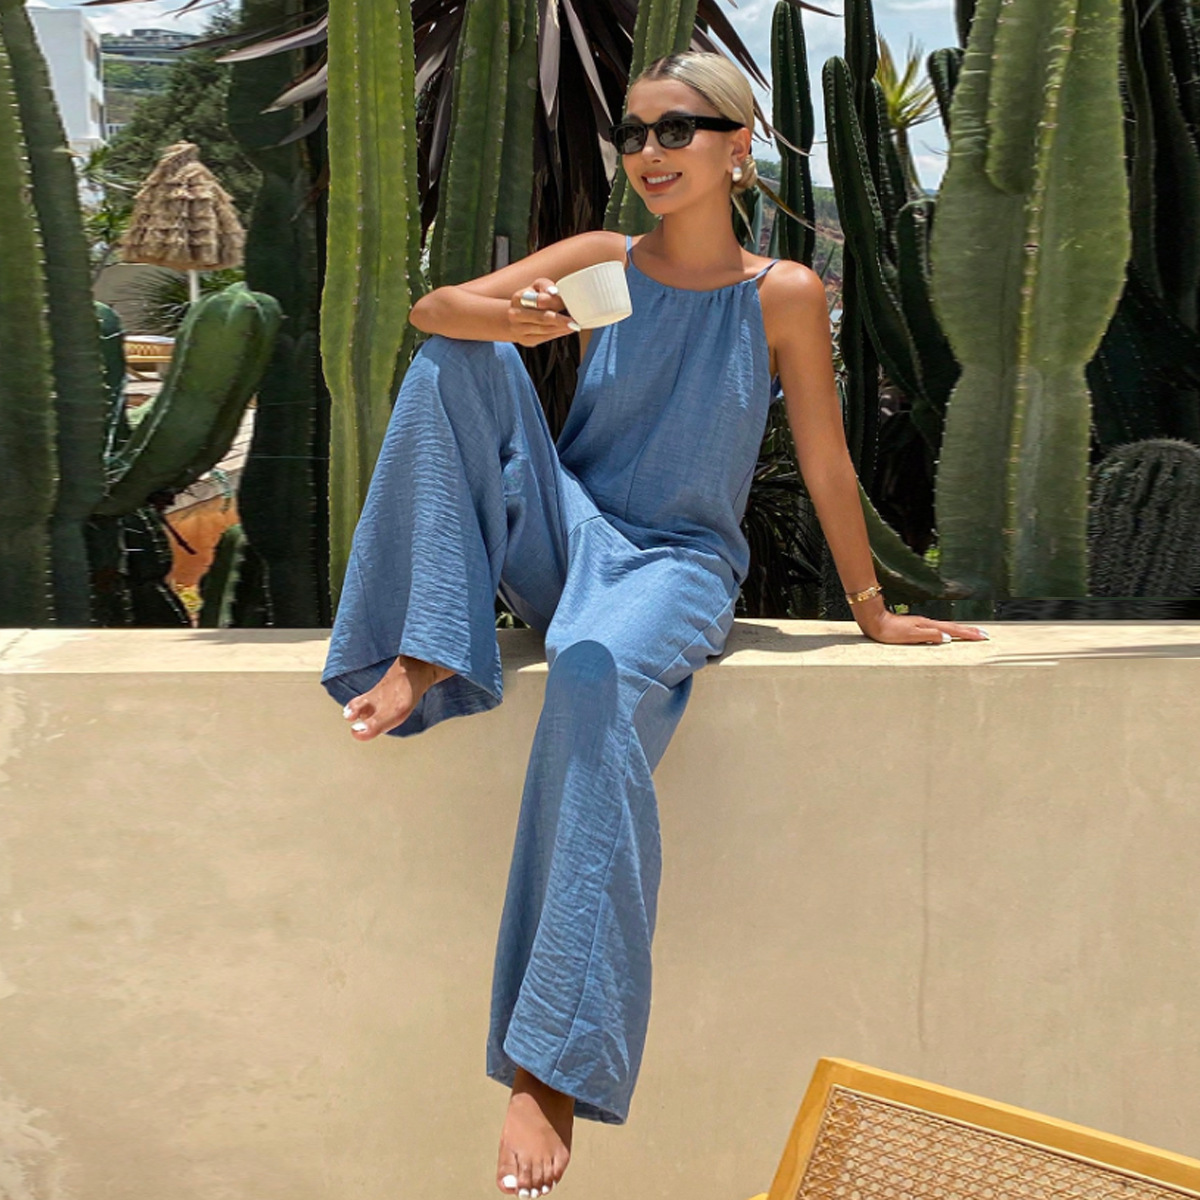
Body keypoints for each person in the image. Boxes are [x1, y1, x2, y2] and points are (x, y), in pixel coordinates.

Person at [320, 47, 990, 1199]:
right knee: (452, 357)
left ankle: (549, 1063)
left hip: (676, 565)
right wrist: (516, 321)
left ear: (738, 146)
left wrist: (873, 610)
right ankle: (430, 644)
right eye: (634, 133)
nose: (649, 152)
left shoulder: (783, 293)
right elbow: (433, 308)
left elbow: (827, 463)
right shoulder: (604, 262)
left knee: (589, 674)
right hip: (571, 530)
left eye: (677, 129)